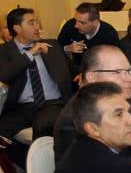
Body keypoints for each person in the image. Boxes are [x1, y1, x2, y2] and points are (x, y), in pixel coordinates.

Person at [53, 45, 131, 163]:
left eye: (129, 71)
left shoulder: (125, 101)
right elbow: (102, 170)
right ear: (92, 77)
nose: (128, 79)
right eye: (117, 72)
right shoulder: (76, 118)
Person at [0, 8, 75, 145]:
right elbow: (5, 75)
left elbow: (73, 69)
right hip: (23, 106)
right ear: (17, 28)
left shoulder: (52, 45)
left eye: (37, 22)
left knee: (42, 125)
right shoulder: (4, 51)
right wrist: (30, 54)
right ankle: (26, 164)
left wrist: (85, 73)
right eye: (31, 23)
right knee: (3, 128)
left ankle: (44, 163)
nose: (37, 26)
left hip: (52, 103)